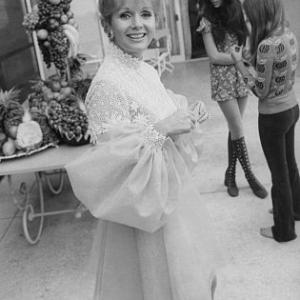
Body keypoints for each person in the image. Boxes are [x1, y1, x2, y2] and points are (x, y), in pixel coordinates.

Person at [66, 0, 222, 299]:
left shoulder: (142, 68)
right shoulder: (106, 86)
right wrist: (162, 129)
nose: (138, 24)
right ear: (108, 24)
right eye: (125, 15)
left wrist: (184, 110)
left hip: (170, 199)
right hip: (144, 220)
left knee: (195, 280)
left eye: (146, 14)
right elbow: (112, 170)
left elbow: (154, 110)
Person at [231, 0, 300, 242]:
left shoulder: (266, 46)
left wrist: (239, 63)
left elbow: (261, 90)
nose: (247, 22)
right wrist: (251, 60)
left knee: (278, 174)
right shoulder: (287, 33)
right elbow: (276, 73)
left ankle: (284, 230)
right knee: (290, 165)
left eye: (249, 17)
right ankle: (295, 210)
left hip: (273, 116)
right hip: (292, 107)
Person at [198, 0, 268, 199]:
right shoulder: (206, 20)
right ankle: (250, 176)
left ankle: (230, 174)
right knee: (237, 127)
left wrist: (243, 58)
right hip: (223, 80)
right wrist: (239, 59)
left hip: (240, 76)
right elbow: (214, 56)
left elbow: (246, 45)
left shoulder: (239, 13)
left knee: (234, 128)